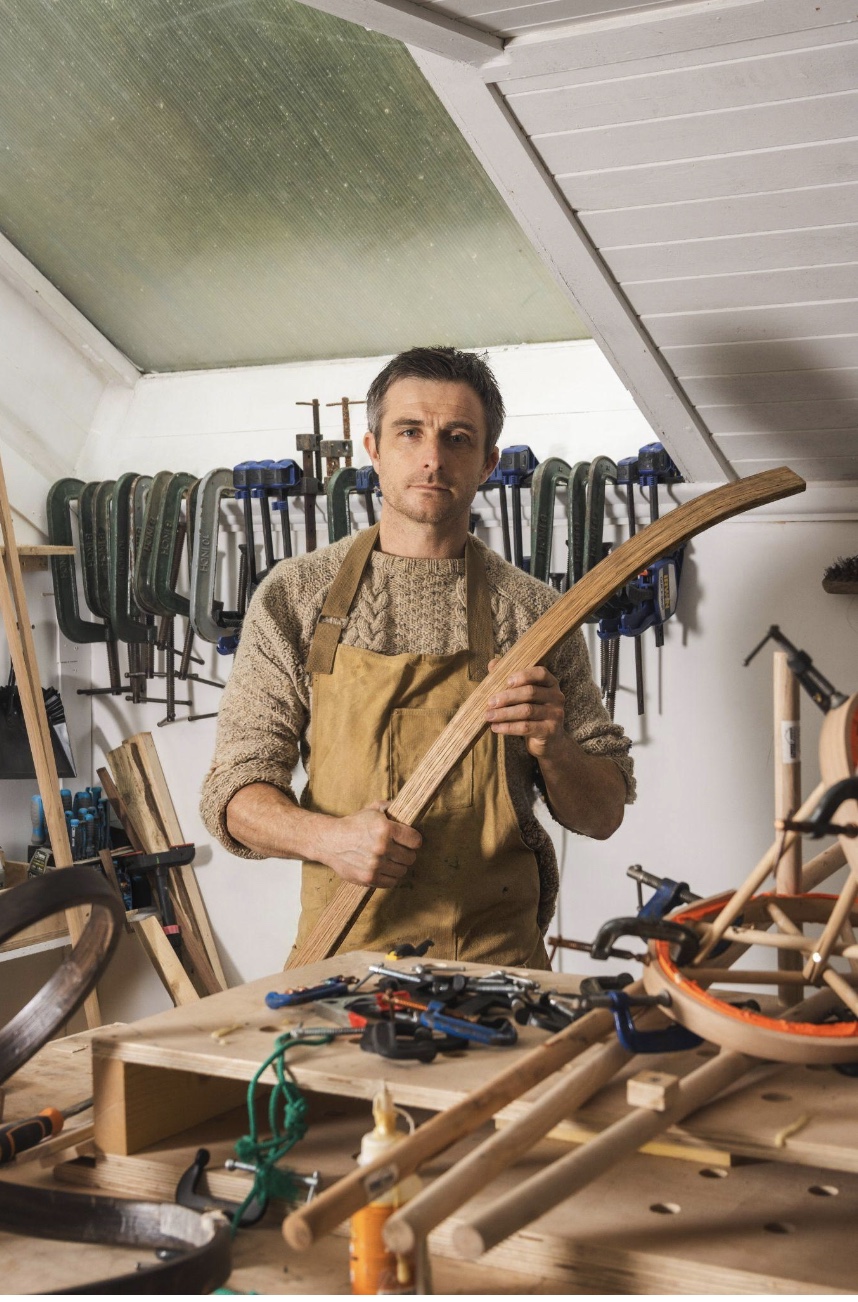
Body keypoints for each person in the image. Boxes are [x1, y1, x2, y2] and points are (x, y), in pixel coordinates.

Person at [200, 346, 634, 968]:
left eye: (457, 438)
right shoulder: (295, 599)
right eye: (410, 432)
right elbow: (233, 795)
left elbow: (603, 815)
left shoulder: (537, 614)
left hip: (495, 966)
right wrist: (330, 839)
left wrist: (555, 744)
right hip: (340, 962)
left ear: (486, 463)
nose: (432, 458)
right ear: (372, 448)